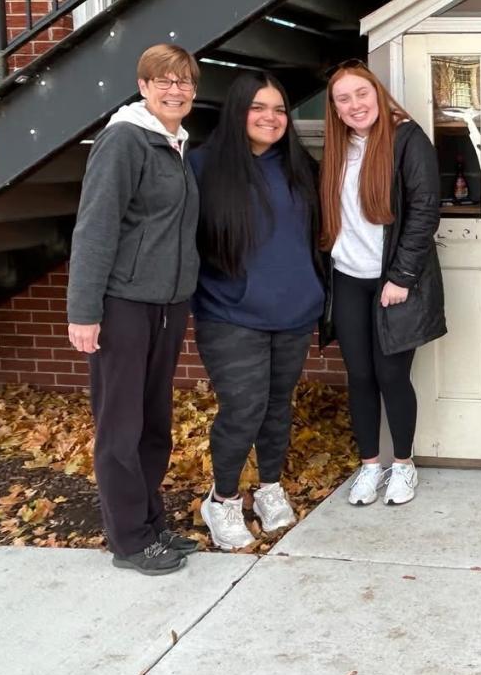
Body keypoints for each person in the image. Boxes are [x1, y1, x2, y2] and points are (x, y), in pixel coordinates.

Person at [66, 44, 202, 575]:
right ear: (143, 87)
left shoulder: (175, 143)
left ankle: (150, 524)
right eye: (162, 80)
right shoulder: (124, 139)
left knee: (153, 424)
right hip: (123, 304)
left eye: (184, 81)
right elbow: (95, 227)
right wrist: (84, 311)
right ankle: (128, 540)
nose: (175, 90)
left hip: (166, 304)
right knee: (121, 427)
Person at [190, 72, 324, 550]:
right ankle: (222, 499)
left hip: (294, 312)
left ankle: (269, 487)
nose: (271, 118)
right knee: (243, 408)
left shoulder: (300, 168)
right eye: (259, 108)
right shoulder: (202, 165)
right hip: (229, 313)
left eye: (280, 109)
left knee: (276, 407)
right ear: (238, 111)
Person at [322, 60, 445, 508]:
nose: (355, 105)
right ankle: (370, 465)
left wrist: (401, 276)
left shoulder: (407, 139)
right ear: (335, 108)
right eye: (344, 99)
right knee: (359, 375)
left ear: (377, 93)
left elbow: (425, 210)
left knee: (392, 375)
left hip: (393, 282)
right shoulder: (337, 149)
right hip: (348, 277)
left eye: (362, 94)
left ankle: (404, 464)